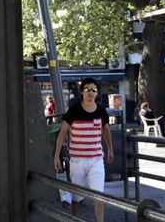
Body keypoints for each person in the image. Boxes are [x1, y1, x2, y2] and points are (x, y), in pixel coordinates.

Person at [53, 77, 114, 222]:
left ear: (97, 93)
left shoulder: (101, 110)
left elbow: (106, 129)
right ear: (82, 92)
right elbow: (62, 133)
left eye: (94, 89)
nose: (90, 92)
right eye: (87, 89)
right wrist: (57, 156)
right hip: (77, 160)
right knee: (76, 197)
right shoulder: (74, 110)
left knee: (99, 196)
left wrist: (110, 149)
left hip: (96, 159)